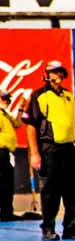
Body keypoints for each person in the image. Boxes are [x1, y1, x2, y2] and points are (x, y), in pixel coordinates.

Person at [25, 61, 75, 241]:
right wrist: (35, 153)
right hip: (49, 149)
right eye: (55, 72)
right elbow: (31, 126)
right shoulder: (39, 96)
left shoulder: (69, 97)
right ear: (47, 75)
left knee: (74, 189)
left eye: (61, 72)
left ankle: (71, 226)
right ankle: (48, 228)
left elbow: (74, 124)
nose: (58, 75)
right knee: (50, 191)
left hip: (69, 149)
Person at [0, 89, 23, 222]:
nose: (7, 102)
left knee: (7, 184)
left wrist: (20, 109)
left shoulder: (4, 114)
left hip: (6, 153)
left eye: (8, 99)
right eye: (4, 99)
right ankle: (5, 212)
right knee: (3, 183)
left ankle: (7, 212)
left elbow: (17, 124)